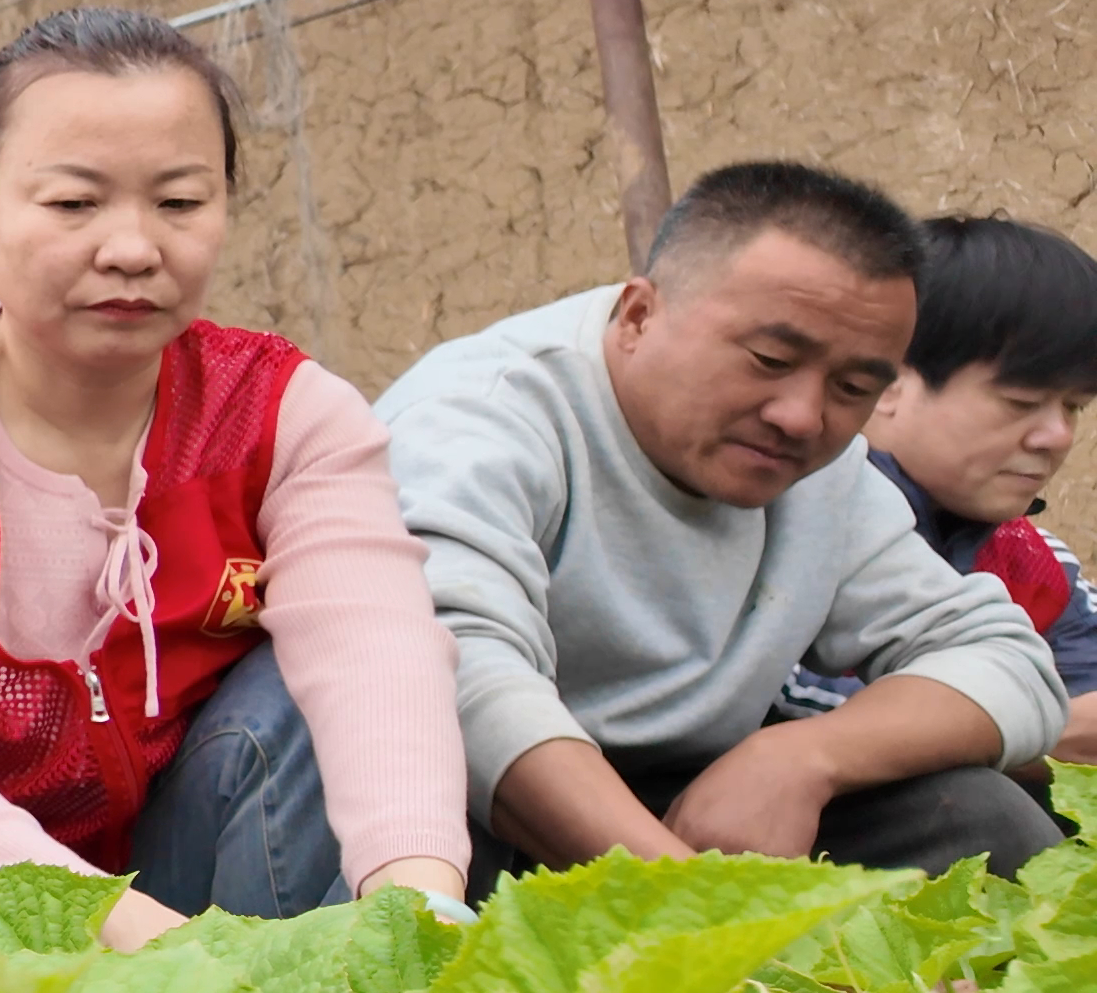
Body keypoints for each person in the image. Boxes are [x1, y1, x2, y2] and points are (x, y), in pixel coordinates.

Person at [0, 9, 472, 958]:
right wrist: (147, 947)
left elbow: (375, 652)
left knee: (297, 696)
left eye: (180, 204)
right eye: (74, 204)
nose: (134, 250)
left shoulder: (286, 411)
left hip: (181, 878)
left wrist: (421, 905)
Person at [378, 162, 1070, 884]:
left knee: (980, 817)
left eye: (854, 388)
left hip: (687, 804)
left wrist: (803, 759)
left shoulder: (819, 470)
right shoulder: (482, 419)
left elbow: (1005, 660)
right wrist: (705, 914)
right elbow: (461, 682)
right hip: (480, 815)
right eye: (769, 360)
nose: (801, 415)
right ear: (639, 315)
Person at [778, 213, 1097, 764]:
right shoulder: (780, 530)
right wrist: (1037, 725)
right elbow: (788, 708)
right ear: (887, 384)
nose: (1057, 436)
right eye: (1021, 402)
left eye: (1073, 407)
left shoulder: (1037, 566)